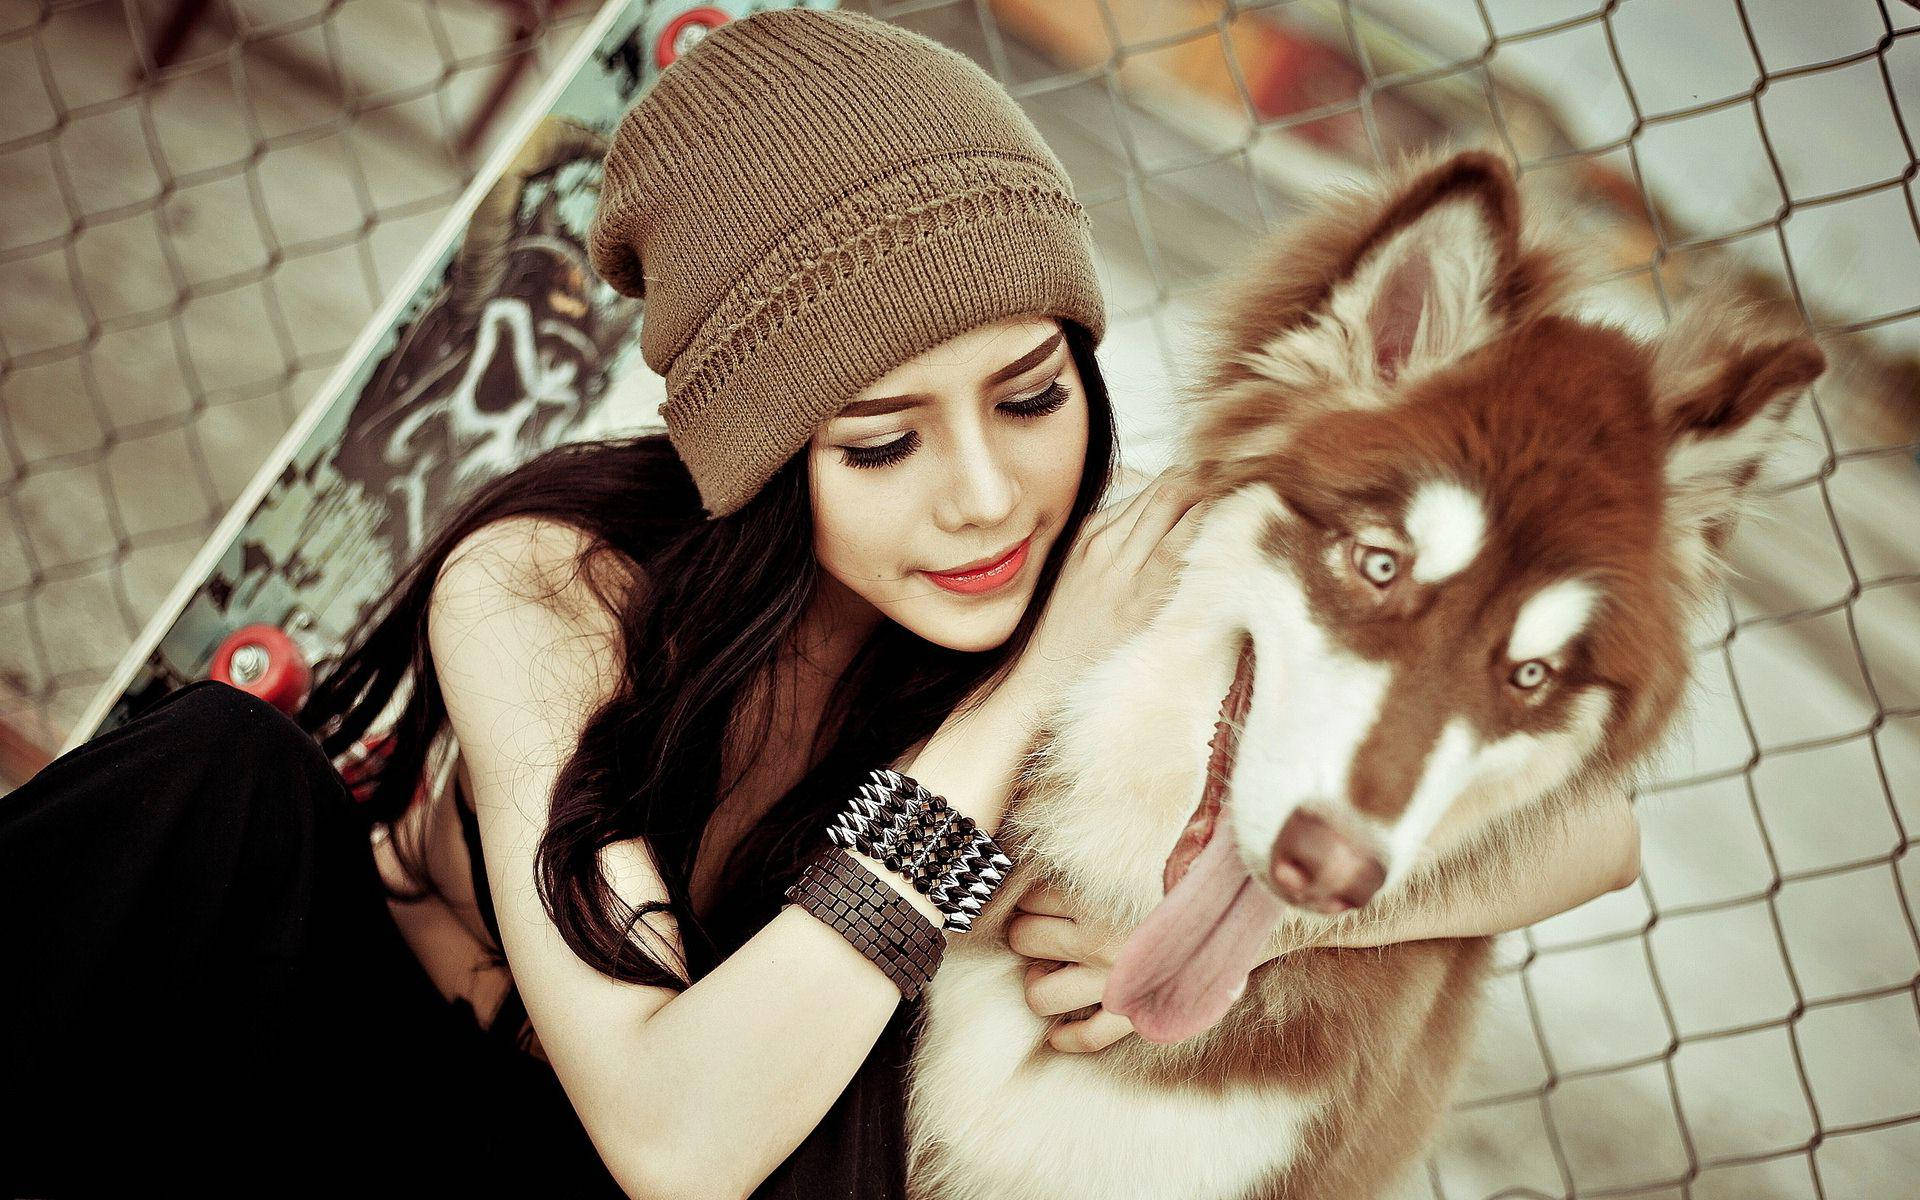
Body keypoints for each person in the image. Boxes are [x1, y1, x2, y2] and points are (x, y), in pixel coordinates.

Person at [0, 9, 1641, 1199]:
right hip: (314, 1091)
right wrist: (1008, 713)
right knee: (215, 773)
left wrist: (1248, 912)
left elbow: (1595, 832)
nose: (988, 497)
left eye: (1026, 394)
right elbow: (676, 1136)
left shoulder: (1105, 563)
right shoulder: (554, 589)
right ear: (764, 454)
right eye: (880, 439)